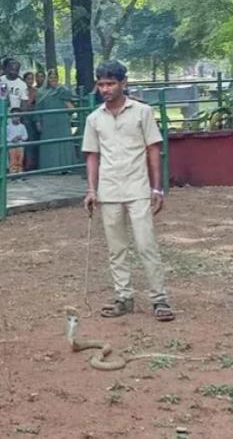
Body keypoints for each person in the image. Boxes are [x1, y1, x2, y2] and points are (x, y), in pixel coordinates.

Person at [82, 60, 174, 322]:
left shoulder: (142, 112)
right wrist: (91, 189)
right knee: (116, 248)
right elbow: (92, 155)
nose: (105, 89)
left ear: (123, 83)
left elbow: (154, 149)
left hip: (138, 188)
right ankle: (123, 297)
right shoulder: (94, 118)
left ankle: (159, 298)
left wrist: (157, 187)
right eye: (101, 84)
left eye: (110, 83)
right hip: (108, 190)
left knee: (146, 244)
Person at [35, 70, 79, 171]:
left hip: (62, 119)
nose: (53, 79)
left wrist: (59, 88)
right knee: (50, 145)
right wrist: (38, 122)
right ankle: (50, 168)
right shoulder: (41, 92)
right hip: (48, 121)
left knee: (64, 143)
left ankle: (66, 167)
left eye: (55, 77)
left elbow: (69, 102)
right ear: (47, 79)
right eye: (51, 78)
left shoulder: (62, 90)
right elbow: (38, 108)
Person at [7, 109, 29, 174]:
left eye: (18, 116)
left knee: (20, 160)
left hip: (20, 146)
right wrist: (12, 139)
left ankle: (20, 173)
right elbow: (6, 137)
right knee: (13, 160)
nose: (16, 118)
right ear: (11, 116)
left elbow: (26, 136)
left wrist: (21, 137)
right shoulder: (8, 127)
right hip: (11, 146)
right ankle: (13, 174)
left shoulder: (22, 126)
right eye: (14, 116)